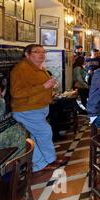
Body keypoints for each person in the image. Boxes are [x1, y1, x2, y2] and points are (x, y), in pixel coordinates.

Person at [10, 44, 63, 174]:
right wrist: (44, 86)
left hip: (38, 108)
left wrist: (50, 86)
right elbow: (16, 93)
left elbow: (38, 85)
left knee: (37, 136)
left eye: (43, 52)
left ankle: (42, 162)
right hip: (27, 109)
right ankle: (46, 162)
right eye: (37, 52)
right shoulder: (21, 69)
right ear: (27, 54)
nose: (41, 54)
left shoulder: (37, 67)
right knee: (45, 132)